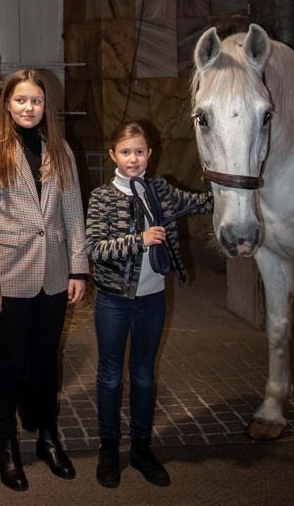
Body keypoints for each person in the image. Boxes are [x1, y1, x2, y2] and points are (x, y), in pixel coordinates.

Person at [0, 69, 88, 492]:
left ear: (45, 106)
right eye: (20, 100)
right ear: (7, 105)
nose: (28, 108)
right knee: (11, 361)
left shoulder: (62, 151)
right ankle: (6, 446)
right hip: (10, 274)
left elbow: (73, 213)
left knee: (45, 361)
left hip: (55, 273)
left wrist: (79, 268)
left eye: (35, 101)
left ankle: (47, 436)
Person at [85, 121, 213, 489]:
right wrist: (138, 240)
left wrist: (228, 179)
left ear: (149, 154)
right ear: (113, 155)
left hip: (152, 298)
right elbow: (95, 249)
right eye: (126, 152)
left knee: (143, 374)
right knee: (110, 376)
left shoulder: (160, 189)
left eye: (139, 151)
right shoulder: (102, 197)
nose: (133, 159)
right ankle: (109, 448)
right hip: (113, 299)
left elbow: (203, 202)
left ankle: (141, 448)